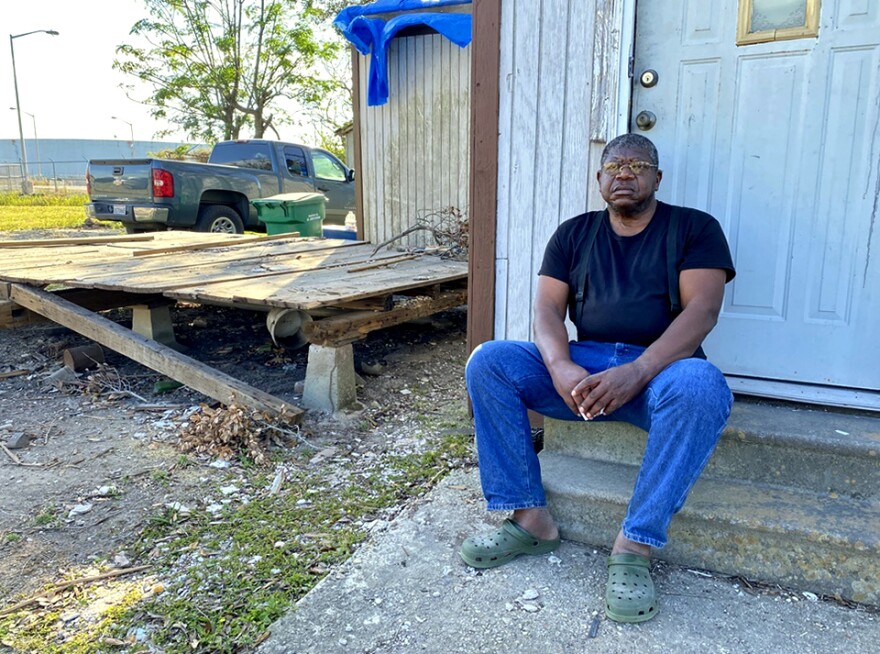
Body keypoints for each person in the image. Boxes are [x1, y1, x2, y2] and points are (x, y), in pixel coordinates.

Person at [460, 133, 735, 623]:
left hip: (660, 373)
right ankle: (530, 518)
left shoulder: (695, 228)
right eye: (613, 165)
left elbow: (703, 311)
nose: (624, 174)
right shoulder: (574, 233)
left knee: (703, 386)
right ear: (600, 178)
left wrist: (639, 370)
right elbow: (546, 308)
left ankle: (634, 545)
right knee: (490, 360)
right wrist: (560, 365)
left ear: (657, 177)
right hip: (584, 370)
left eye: (637, 165)